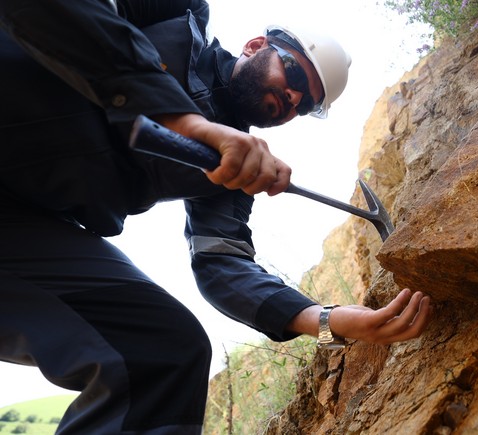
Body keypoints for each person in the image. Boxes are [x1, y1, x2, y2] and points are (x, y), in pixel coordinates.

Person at [0, 0, 431, 433]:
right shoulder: (173, 12)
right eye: (295, 74)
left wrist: (324, 322)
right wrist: (185, 120)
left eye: (302, 105)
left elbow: (223, 265)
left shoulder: (234, 173)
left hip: (18, 228)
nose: (293, 97)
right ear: (256, 45)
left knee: (167, 349)